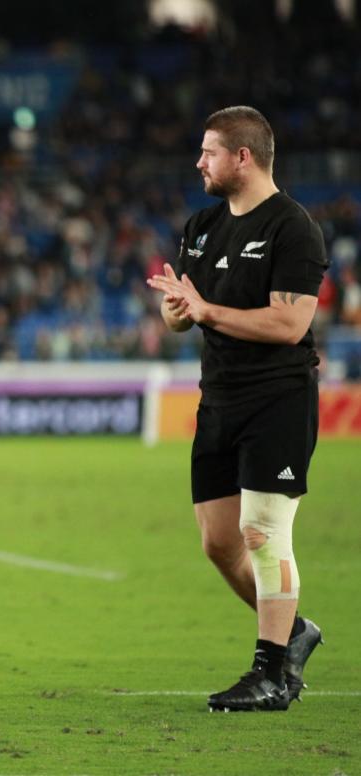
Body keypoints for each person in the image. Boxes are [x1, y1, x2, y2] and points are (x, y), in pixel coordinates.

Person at [148, 106, 327, 712]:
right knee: (219, 542)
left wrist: (205, 312)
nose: (200, 162)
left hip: (277, 398)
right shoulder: (202, 226)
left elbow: (289, 322)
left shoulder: (293, 228)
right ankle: (295, 630)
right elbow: (186, 314)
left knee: (262, 532)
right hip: (218, 398)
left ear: (242, 157)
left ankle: (271, 673)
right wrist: (176, 311)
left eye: (209, 151)